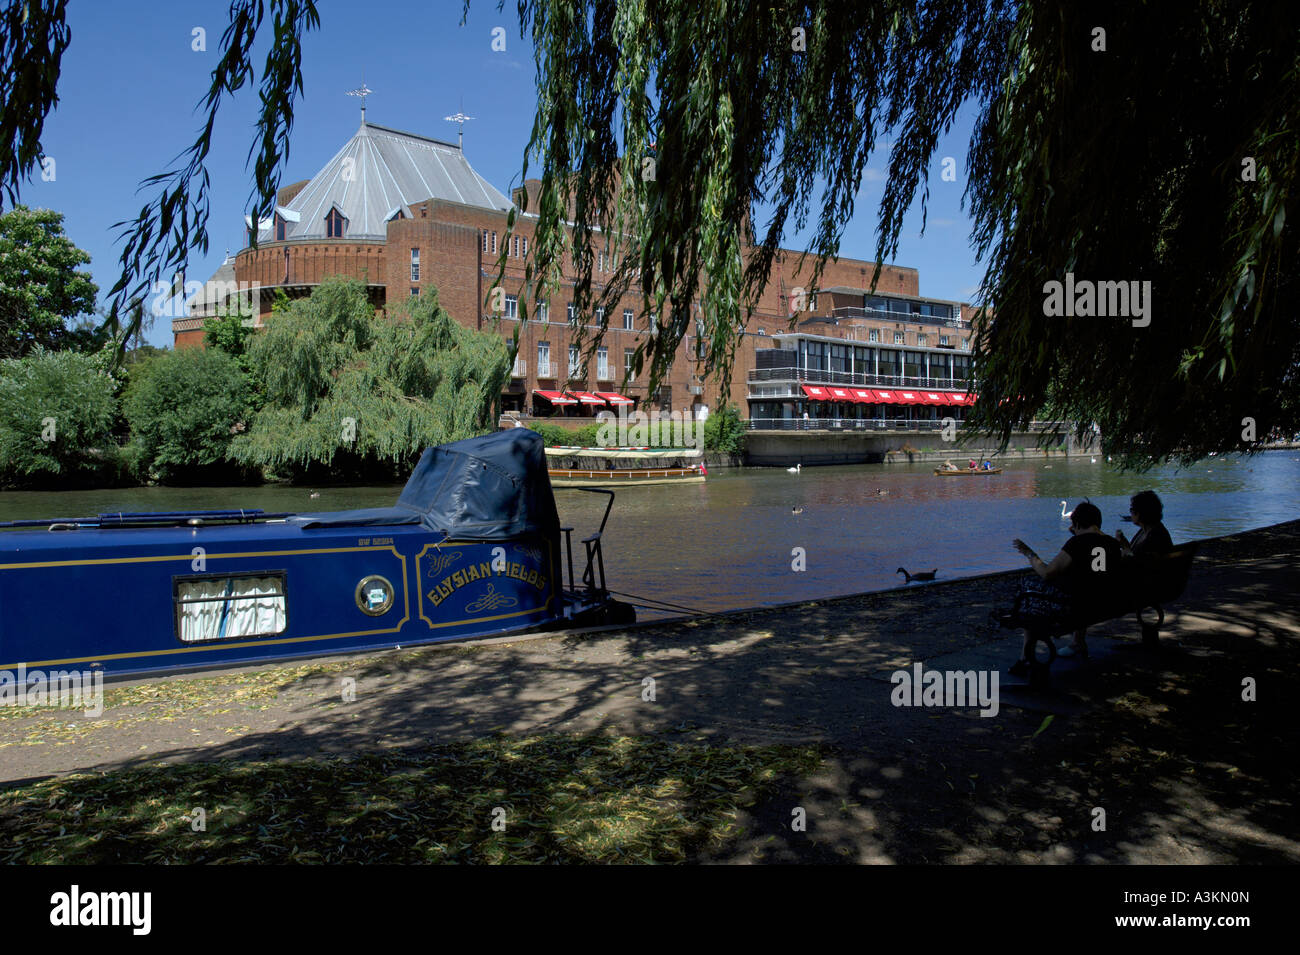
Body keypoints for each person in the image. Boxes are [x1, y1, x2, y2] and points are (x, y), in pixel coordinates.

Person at [1007, 501, 1123, 674]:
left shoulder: (1077, 543)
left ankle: (1025, 657)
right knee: (1082, 589)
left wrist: (1029, 554)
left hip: (1073, 607)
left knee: (1028, 595)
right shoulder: (1113, 544)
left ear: (1076, 524)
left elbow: (1047, 573)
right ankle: (1077, 641)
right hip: (1103, 603)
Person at [1115, 489, 1173, 558]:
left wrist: (1125, 547)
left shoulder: (1155, 536)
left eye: (1132, 509)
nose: (1130, 512)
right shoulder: (1146, 530)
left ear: (1139, 513)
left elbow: (1139, 563)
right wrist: (1124, 544)